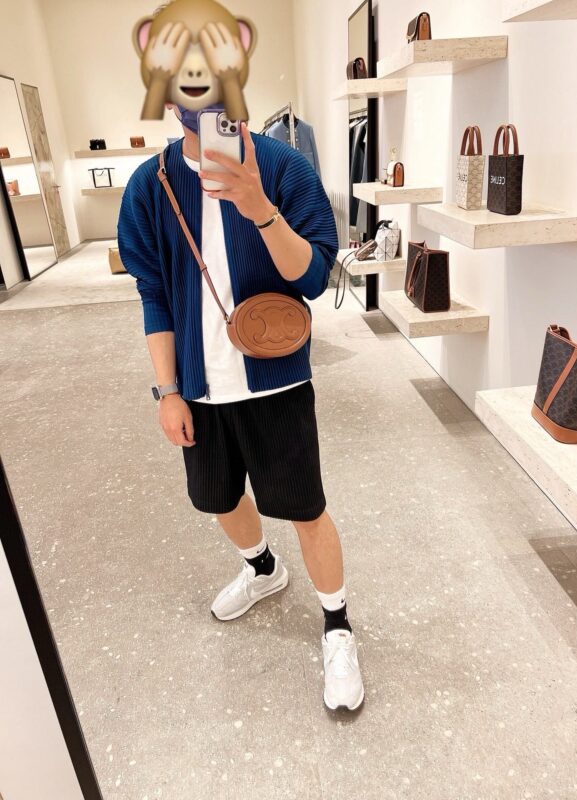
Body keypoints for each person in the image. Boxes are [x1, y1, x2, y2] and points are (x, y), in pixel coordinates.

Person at [116, 102, 364, 711]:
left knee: (305, 506)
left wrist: (259, 209)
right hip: (198, 387)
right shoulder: (151, 185)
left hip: (276, 379)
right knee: (218, 497)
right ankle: (262, 569)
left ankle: (337, 625)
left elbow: (313, 276)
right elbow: (153, 292)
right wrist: (168, 391)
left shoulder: (282, 165)